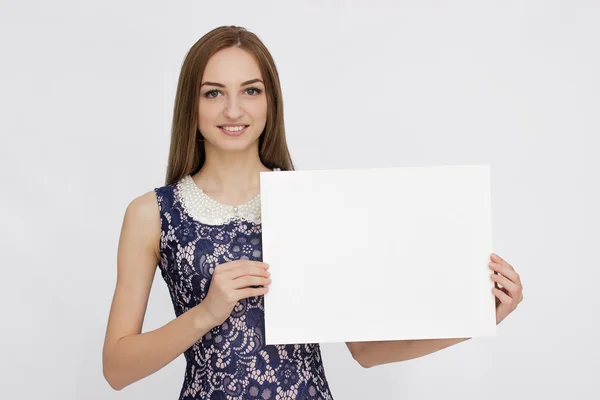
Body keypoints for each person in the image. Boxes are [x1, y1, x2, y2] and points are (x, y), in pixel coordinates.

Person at [102, 25, 524, 399]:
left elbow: (364, 351)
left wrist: (476, 319)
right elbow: (117, 369)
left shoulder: (309, 203)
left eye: (251, 90)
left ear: (271, 101)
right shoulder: (152, 214)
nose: (234, 110)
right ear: (190, 105)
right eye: (214, 93)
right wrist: (207, 313)